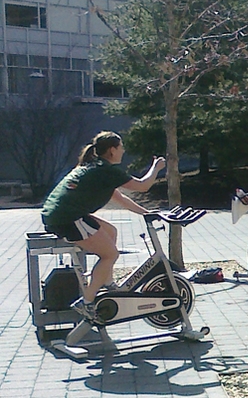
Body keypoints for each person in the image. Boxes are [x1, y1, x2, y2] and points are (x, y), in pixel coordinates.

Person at [41, 131, 166, 323]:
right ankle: (86, 301)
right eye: (121, 147)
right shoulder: (107, 170)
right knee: (110, 254)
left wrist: (147, 214)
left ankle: (107, 282)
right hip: (67, 219)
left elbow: (121, 199)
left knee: (111, 231)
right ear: (112, 150)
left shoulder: (96, 167)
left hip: (64, 215)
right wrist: (156, 168)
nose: (123, 150)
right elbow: (142, 186)